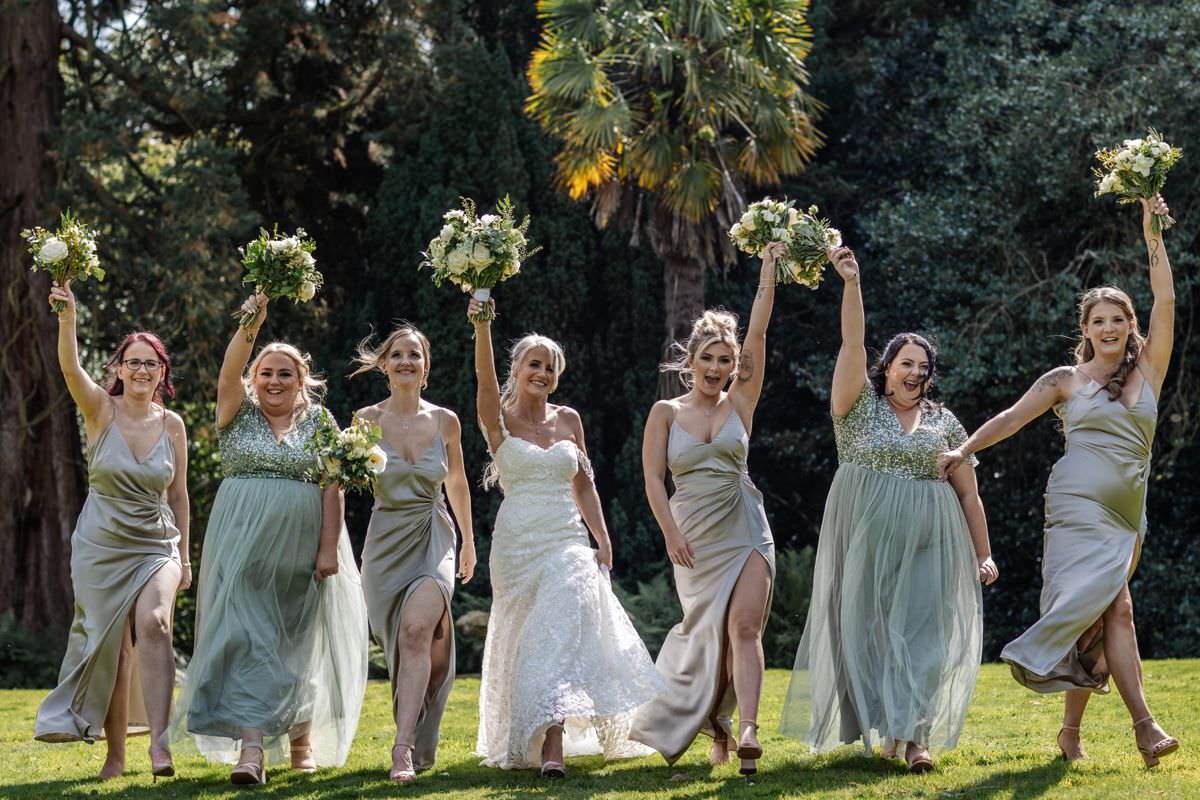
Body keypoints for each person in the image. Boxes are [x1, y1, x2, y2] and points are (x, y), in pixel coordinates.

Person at [938, 195, 1179, 768]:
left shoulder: (1150, 370)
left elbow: (1166, 297)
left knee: (1096, 615)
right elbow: (1011, 419)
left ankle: (1070, 733)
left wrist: (1153, 236)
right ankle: (1146, 729)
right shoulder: (1065, 380)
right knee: (1114, 608)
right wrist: (964, 448)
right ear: (1086, 329)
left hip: (1127, 516)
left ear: (1130, 326)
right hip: (1073, 510)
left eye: (1119, 319)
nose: (1111, 327)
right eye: (1100, 321)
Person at [781, 245, 997, 772]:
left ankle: (916, 737)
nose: (916, 373)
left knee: (925, 636)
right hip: (869, 543)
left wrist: (983, 554)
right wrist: (851, 283)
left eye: (924, 367)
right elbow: (851, 340)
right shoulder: (856, 408)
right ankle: (890, 729)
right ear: (888, 367)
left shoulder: (945, 422)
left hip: (932, 539)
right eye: (906, 363)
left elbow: (968, 492)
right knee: (872, 637)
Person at [170, 294, 368, 785]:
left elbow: (332, 485)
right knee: (247, 639)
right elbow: (226, 372)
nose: (274, 381)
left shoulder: (320, 423)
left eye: (285, 374)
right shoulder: (236, 412)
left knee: (296, 642)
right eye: (266, 373)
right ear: (253, 379)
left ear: (302, 381)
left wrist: (328, 547)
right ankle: (252, 752)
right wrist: (251, 323)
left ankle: (300, 743)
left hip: (303, 547)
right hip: (241, 544)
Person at [468, 297, 664, 776]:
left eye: (551, 368)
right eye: (534, 364)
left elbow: (584, 483)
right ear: (516, 369)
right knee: (526, 637)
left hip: (567, 538)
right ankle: (533, 735)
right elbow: (484, 380)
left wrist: (602, 537)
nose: (543, 373)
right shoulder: (499, 419)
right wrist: (481, 324)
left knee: (559, 629)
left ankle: (554, 741)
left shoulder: (569, 420)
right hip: (517, 545)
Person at [629, 242, 785, 775]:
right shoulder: (665, 412)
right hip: (692, 534)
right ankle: (714, 723)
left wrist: (767, 271)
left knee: (744, 627)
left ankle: (747, 731)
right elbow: (652, 478)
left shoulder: (742, 402)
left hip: (746, 525)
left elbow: (758, 333)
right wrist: (669, 533)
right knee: (707, 636)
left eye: (726, 360)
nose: (718, 367)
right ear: (690, 360)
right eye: (709, 358)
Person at [34, 281, 190, 781]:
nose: (142, 369)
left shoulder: (173, 426)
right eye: (133, 362)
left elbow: (179, 495)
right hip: (101, 546)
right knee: (111, 648)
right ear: (119, 369)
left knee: (155, 625)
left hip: (156, 544)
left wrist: (185, 557)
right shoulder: (101, 410)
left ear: (162, 372)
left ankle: (160, 746)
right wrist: (68, 318)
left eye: (151, 363)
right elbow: (68, 368)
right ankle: (116, 756)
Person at [353, 324, 477, 782]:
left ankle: (401, 749)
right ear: (384, 365)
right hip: (384, 540)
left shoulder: (446, 420)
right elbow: (347, 482)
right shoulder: (364, 420)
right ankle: (418, 727)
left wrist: (467, 540)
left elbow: (458, 483)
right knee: (401, 645)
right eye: (398, 354)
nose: (406, 361)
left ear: (426, 368)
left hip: (433, 533)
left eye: (415, 355)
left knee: (416, 631)